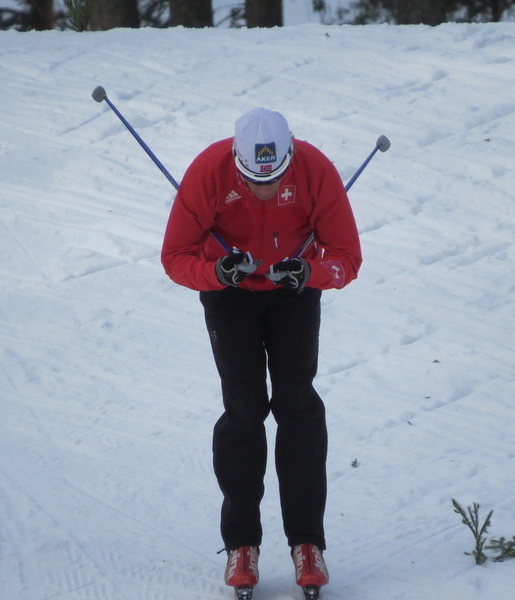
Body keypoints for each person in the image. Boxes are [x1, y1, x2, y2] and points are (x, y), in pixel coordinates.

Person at [161, 108, 362, 596]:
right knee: (244, 410)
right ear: (237, 161)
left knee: (297, 405)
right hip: (229, 294)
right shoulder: (208, 173)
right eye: (253, 181)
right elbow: (175, 256)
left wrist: (310, 273)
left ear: (291, 156)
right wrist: (216, 273)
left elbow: (347, 257)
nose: (265, 189)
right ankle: (242, 545)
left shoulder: (316, 171)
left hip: (293, 290)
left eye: (275, 179)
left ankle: (307, 544)